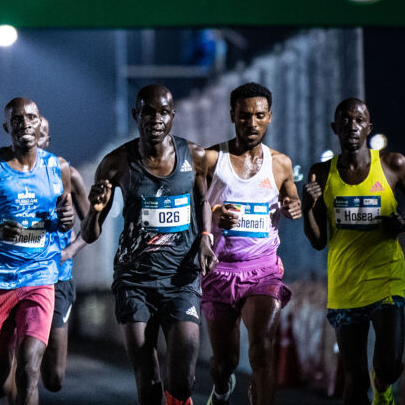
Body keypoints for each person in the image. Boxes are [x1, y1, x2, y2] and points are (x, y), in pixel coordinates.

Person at [81, 84, 214, 405]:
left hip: (180, 280)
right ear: (135, 115)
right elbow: (90, 233)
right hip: (134, 281)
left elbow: (205, 201)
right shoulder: (116, 163)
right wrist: (95, 210)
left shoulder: (194, 156)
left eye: (163, 112)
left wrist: (205, 237)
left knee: (183, 380)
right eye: (148, 112)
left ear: (173, 116)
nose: (156, 119)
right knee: (148, 378)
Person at [0, 97, 74, 405]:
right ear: (6, 127)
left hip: (40, 276)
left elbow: (65, 216)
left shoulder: (57, 167)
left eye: (31, 118)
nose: (25, 124)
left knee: (29, 368)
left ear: (40, 123)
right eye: (17, 119)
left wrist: (67, 219)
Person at [201, 83, 301, 405]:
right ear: (232, 115)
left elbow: (292, 199)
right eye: (244, 116)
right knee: (224, 363)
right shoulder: (211, 159)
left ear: (270, 116)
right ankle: (221, 388)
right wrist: (215, 215)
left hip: (263, 271)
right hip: (219, 272)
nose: (252, 123)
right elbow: (192, 208)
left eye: (259, 115)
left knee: (261, 350)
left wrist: (293, 206)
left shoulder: (280, 163)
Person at [302, 98, 405, 405]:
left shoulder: (392, 165)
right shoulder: (321, 173)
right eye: (345, 120)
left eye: (359, 120)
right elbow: (318, 241)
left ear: (369, 127)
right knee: (355, 377)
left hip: (385, 279)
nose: (352, 125)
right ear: (334, 127)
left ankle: (383, 388)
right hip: (345, 286)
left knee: (389, 365)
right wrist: (308, 209)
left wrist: (403, 224)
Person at [35, 117, 89, 393]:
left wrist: (69, 251)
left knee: (54, 378)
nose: (33, 137)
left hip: (57, 277)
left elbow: (92, 225)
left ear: (48, 140)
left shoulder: (67, 173)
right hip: (18, 277)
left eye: (41, 134)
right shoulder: (4, 173)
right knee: (24, 368)